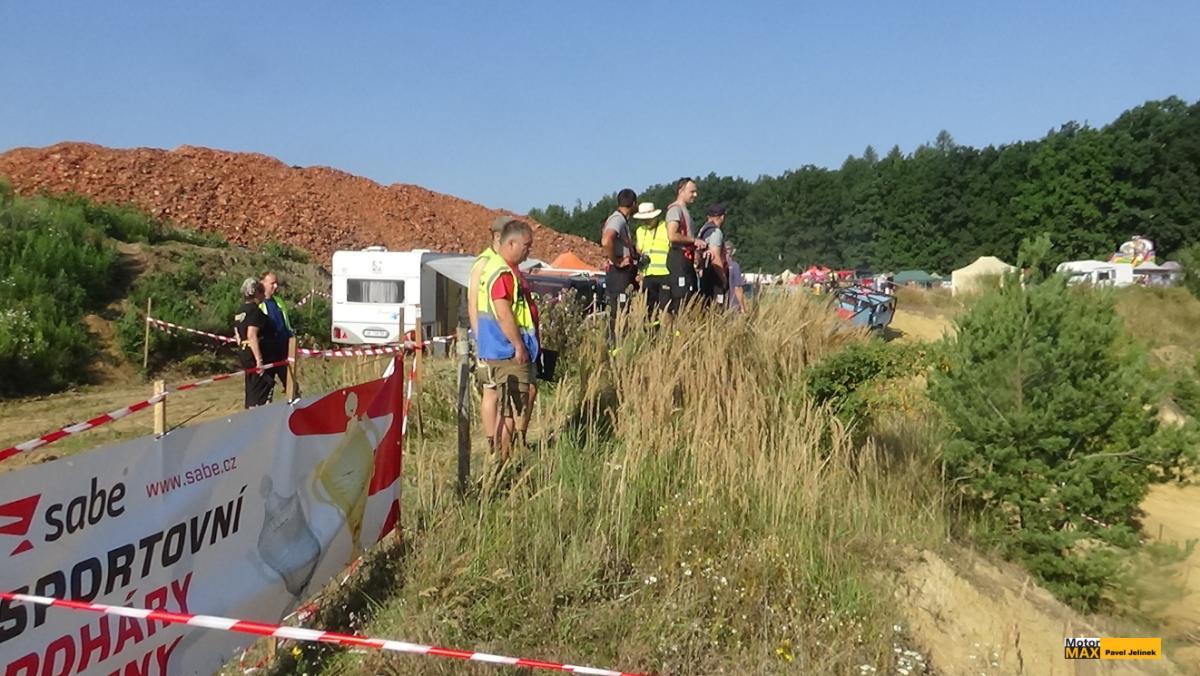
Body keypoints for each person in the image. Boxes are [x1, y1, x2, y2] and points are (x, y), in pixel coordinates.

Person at [476, 220, 540, 460]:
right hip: (507, 352)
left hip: (498, 349)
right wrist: (518, 345)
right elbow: (503, 312)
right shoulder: (502, 272)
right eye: (526, 245)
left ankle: (502, 458)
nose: (528, 251)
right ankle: (503, 461)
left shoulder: (496, 267)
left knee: (507, 408)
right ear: (511, 243)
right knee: (510, 410)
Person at [469, 216, 510, 450]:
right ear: (497, 236)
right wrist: (480, 339)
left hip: (500, 338)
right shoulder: (484, 263)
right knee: (491, 390)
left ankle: (502, 438)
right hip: (488, 338)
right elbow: (472, 303)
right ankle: (492, 440)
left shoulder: (500, 261)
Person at [601, 188, 639, 346]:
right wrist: (616, 261)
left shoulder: (619, 219)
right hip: (619, 274)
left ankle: (615, 345)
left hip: (620, 274)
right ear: (634, 203)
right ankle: (616, 347)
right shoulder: (618, 220)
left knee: (619, 312)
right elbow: (606, 240)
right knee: (619, 313)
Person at [664, 177, 707, 314]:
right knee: (681, 298)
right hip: (678, 258)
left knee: (689, 295)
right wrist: (694, 241)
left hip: (686, 258)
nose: (695, 195)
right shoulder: (675, 210)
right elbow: (672, 235)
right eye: (692, 191)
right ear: (681, 191)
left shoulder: (684, 211)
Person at [234, 278, 276, 408]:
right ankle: (259, 412)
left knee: (252, 387)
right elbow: (251, 335)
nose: (264, 294)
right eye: (262, 291)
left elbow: (237, 334)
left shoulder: (240, 311)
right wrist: (259, 361)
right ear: (256, 293)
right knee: (261, 389)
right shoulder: (255, 311)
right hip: (255, 355)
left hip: (245, 353)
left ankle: (252, 410)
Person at [259, 271, 298, 399]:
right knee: (265, 391)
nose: (275, 286)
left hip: (283, 351)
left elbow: (286, 324)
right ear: (263, 283)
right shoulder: (259, 304)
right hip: (268, 353)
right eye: (272, 283)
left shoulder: (279, 301)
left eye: (276, 283)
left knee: (293, 388)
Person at [633, 201, 670, 318]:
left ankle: (668, 329)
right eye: (643, 219)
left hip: (665, 274)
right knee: (650, 309)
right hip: (648, 275)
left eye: (648, 218)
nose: (646, 221)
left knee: (666, 308)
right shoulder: (640, 231)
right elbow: (640, 251)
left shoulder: (666, 226)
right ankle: (653, 328)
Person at [696, 203, 728, 306]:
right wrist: (723, 278)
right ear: (722, 217)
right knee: (717, 307)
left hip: (704, 274)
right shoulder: (715, 232)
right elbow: (715, 257)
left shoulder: (703, 230)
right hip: (714, 277)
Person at [725, 239, 747, 312]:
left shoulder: (717, 266)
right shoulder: (735, 266)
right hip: (733, 306)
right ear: (733, 251)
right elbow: (738, 288)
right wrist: (742, 307)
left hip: (719, 306)